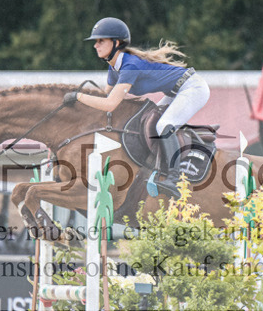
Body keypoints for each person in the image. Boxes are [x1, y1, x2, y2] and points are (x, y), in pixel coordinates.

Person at [67, 17, 210, 197]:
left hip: (193, 88)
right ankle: (158, 169)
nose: (96, 45)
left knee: (163, 126)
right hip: (175, 92)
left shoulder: (130, 65)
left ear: (116, 43)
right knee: (149, 124)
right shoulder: (114, 68)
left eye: (101, 41)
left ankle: (174, 179)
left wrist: (78, 96)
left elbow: (110, 105)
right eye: (96, 42)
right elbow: (104, 97)